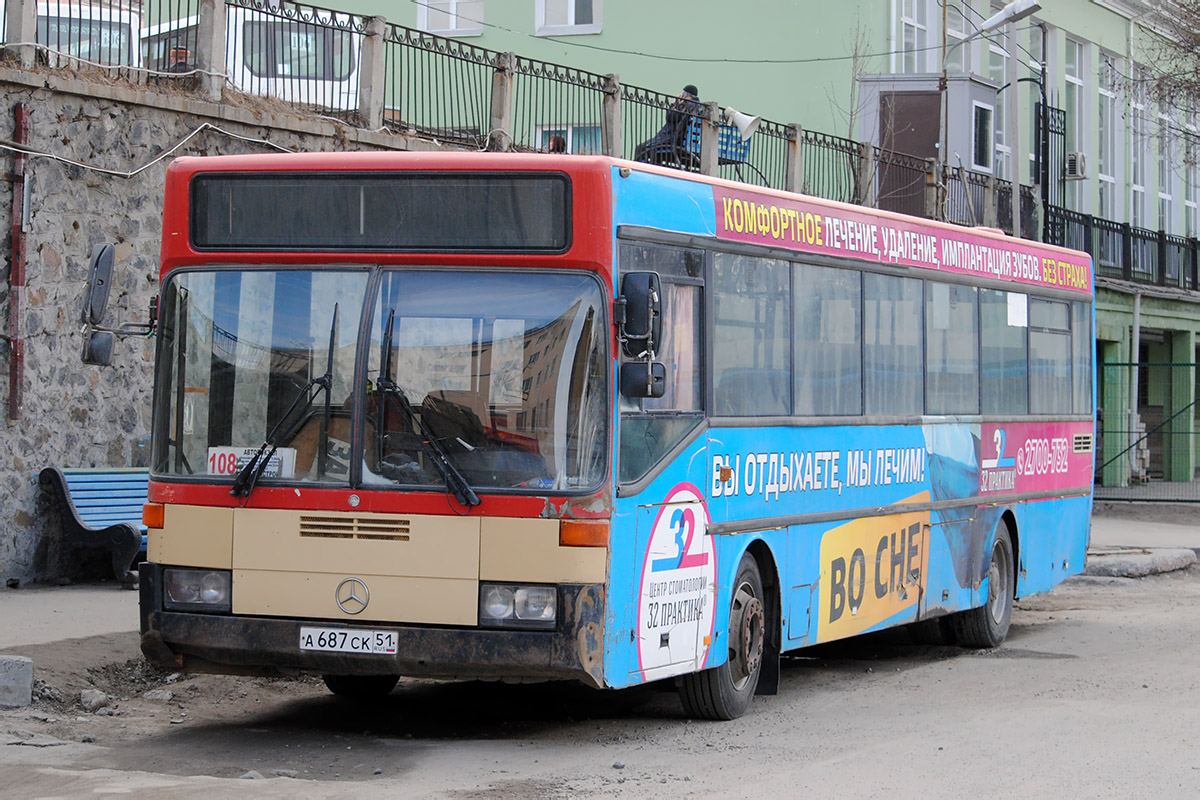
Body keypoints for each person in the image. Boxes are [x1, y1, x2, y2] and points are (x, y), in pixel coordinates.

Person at [634, 85, 700, 166]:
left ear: (686, 95)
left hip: (672, 138)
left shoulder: (686, 105)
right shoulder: (697, 107)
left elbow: (671, 116)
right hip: (681, 139)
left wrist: (676, 103)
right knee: (648, 148)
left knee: (641, 148)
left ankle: (639, 169)